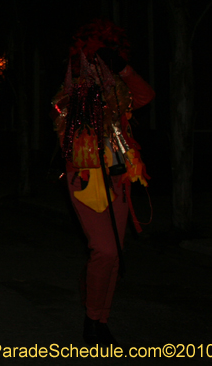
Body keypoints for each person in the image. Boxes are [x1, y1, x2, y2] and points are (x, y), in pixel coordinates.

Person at [52, 19, 154, 346]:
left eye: (102, 56)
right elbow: (60, 114)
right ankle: (91, 316)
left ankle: (100, 319)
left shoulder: (120, 92)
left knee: (115, 253)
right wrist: (82, 88)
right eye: (90, 55)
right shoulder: (73, 87)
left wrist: (122, 69)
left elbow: (146, 95)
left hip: (118, 174)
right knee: (106, 251)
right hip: (84, 175)